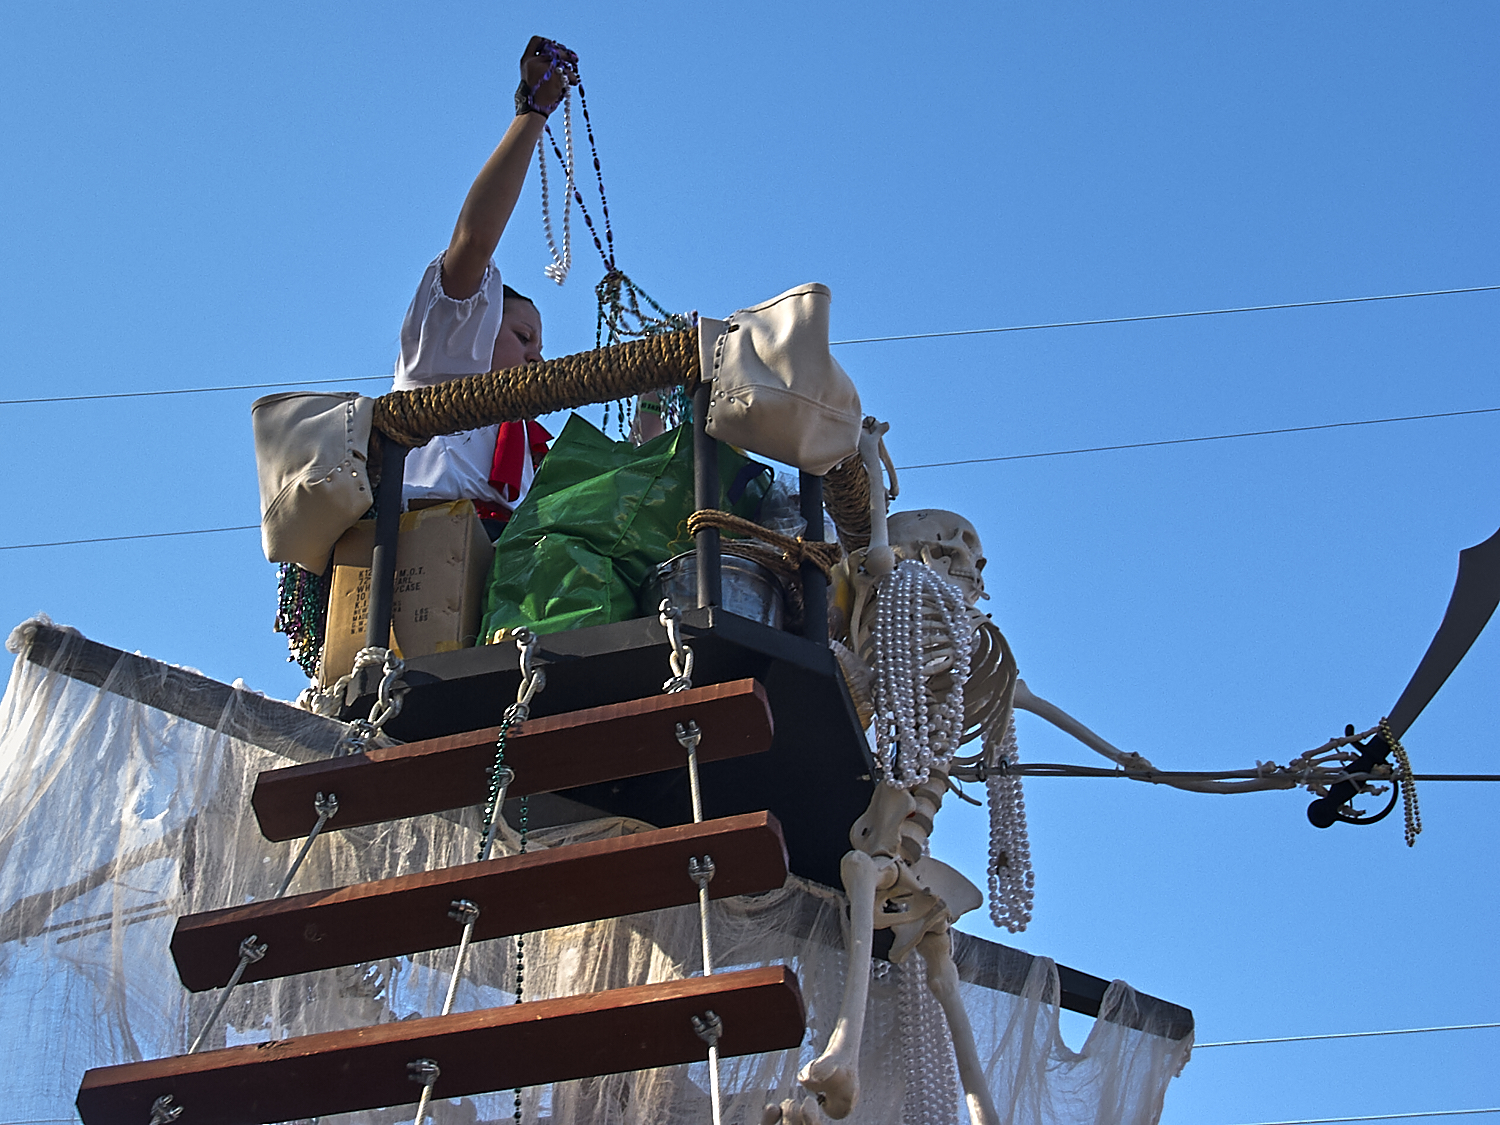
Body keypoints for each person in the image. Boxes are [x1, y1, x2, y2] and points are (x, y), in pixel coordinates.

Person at [392, 37, 577, 539]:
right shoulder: (442, 364)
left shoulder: (534, 448)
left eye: (539, 346)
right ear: (479, 322)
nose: (536, 359)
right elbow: (473, 243)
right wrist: (533, 111)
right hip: (421, 558)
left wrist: (652, 398)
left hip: (504, 589)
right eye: (522, 337)